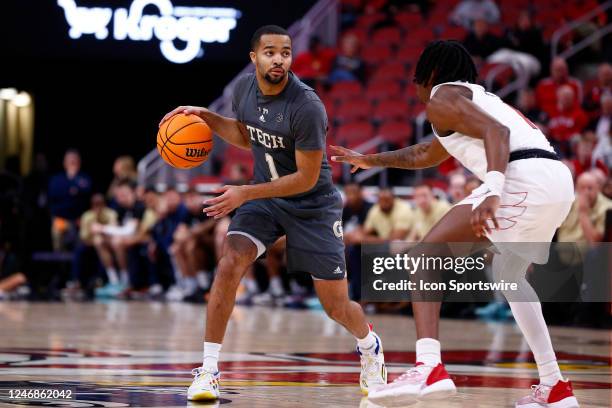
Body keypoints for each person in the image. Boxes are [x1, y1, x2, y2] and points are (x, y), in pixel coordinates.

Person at [332, 40, 579, 408]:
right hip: (557, 181)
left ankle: (429, 366)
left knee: (424, 256)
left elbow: (499, 135)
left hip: (521, 178)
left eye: (418, 80)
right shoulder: (470, 101)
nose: (416, 91)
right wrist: (372, 160)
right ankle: (554, 386)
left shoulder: (442, 96)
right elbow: (425, 153)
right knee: (509, 274)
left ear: (429, 75)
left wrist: (494, 189)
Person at [159, 25, 386, 401]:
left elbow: (306, 177)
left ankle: (369, 346)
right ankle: (209, 370)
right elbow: (247, 135)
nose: (278, 59)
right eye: (270, 52)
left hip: (312, 204)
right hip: (266, 198)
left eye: (285, 52)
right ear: (254, 57)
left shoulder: (307, 106)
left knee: (335, 305)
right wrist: (206, 118)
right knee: (230, 262)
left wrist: (244, 192)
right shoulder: (242, 90)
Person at [48, 149, 92, 251]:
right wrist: (72, 189)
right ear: (64, 163)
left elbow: (87, 190)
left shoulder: (84, 178)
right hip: (61, 218)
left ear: (79, 162)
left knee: (81, 244)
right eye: (70, 161)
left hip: (80, 219)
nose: (72, 163)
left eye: (74, 160)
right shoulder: (57, 179)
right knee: (57, 233)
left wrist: (74, 180)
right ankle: (59, 263)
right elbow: (54, 194)